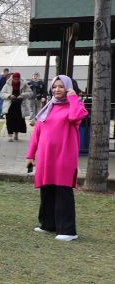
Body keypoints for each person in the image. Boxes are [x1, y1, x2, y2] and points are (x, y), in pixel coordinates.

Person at [26, 75, 88, 241]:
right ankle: (48, 225)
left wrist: (73, 97)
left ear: (68, 87)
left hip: (64, 156)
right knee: (47, 190)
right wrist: (30, 154)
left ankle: (68, 231)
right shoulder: (48, 107)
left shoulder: (74, 106)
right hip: (46, 157)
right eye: (54, 86)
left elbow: (75, 117)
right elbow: (37, 133)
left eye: (61, 86)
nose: (57, 90)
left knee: (62, 191)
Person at [0, 71, 33, 142]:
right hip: (10, 105)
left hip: (20, 105)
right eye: (15, 79)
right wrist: (9, 96)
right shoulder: (7, 84)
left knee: (19, 120)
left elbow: (30, 93)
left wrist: (22, 95)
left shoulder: (24, 84)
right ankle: (10, 135)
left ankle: (16, 134)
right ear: (12, 78)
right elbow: (2, 94)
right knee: (10, 120)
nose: (16, 80)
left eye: (18, 79)